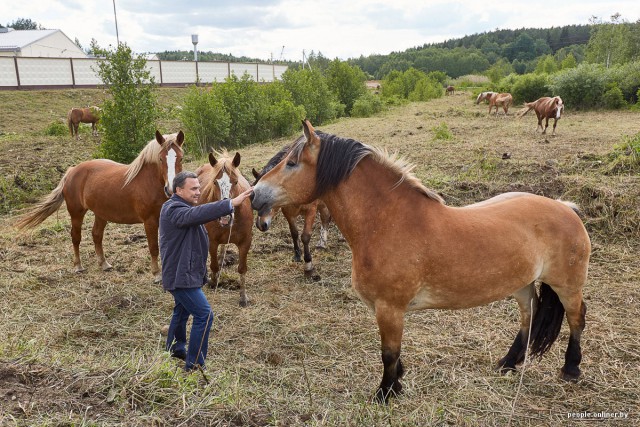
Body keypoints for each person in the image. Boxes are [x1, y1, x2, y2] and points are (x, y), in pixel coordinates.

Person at [159, 170, 253, 371]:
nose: (197, 192)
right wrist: (230, 204)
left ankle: (175, 348)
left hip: (187, 272)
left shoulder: (184, 206)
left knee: (181, 311)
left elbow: (197, 214)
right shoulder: (174, 209)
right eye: (193, 188)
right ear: (178, 190)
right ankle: (194, 364)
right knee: (204, 315)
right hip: (180, 275)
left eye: (198, 188)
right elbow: (196, 214)